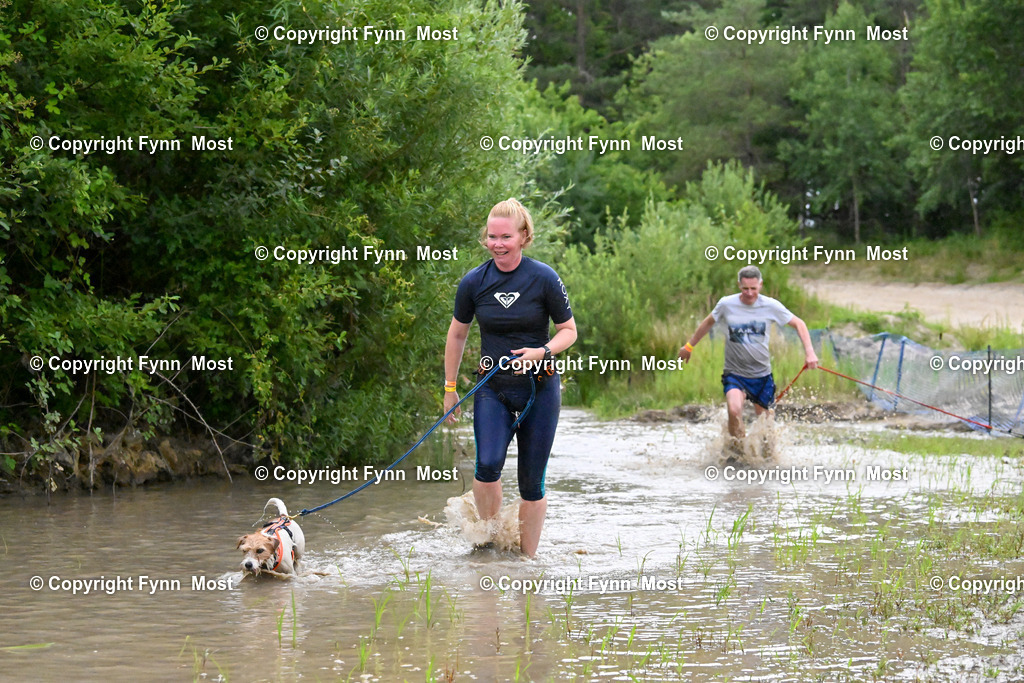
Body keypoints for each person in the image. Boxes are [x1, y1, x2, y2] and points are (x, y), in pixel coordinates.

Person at [442, 198, 577, 557]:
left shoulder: (544, 277)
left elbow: (568, 331)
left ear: (523, 236)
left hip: (540, 389)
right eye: (491, 237)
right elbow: (457, 335)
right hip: (493, 389)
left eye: (505, 236)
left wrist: (541, 352)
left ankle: (527, 564)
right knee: (486, 465)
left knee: (532, 482)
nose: (497, 244)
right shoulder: (473, 282)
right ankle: (489, 543)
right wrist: (450, 388)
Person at [678, 265, 818, 440]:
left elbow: (800, 324)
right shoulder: (726, 304)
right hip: (735, 373)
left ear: (760, 285)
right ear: (739, 285)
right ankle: (737, 451)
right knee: (734, 410)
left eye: (753, 288)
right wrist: (689, 346)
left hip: (762, 375)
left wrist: (810, 352)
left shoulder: (770, 306)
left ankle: (767, 460)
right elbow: (708, 323)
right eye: (745, 289)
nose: (750, 293)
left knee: (766, 429)